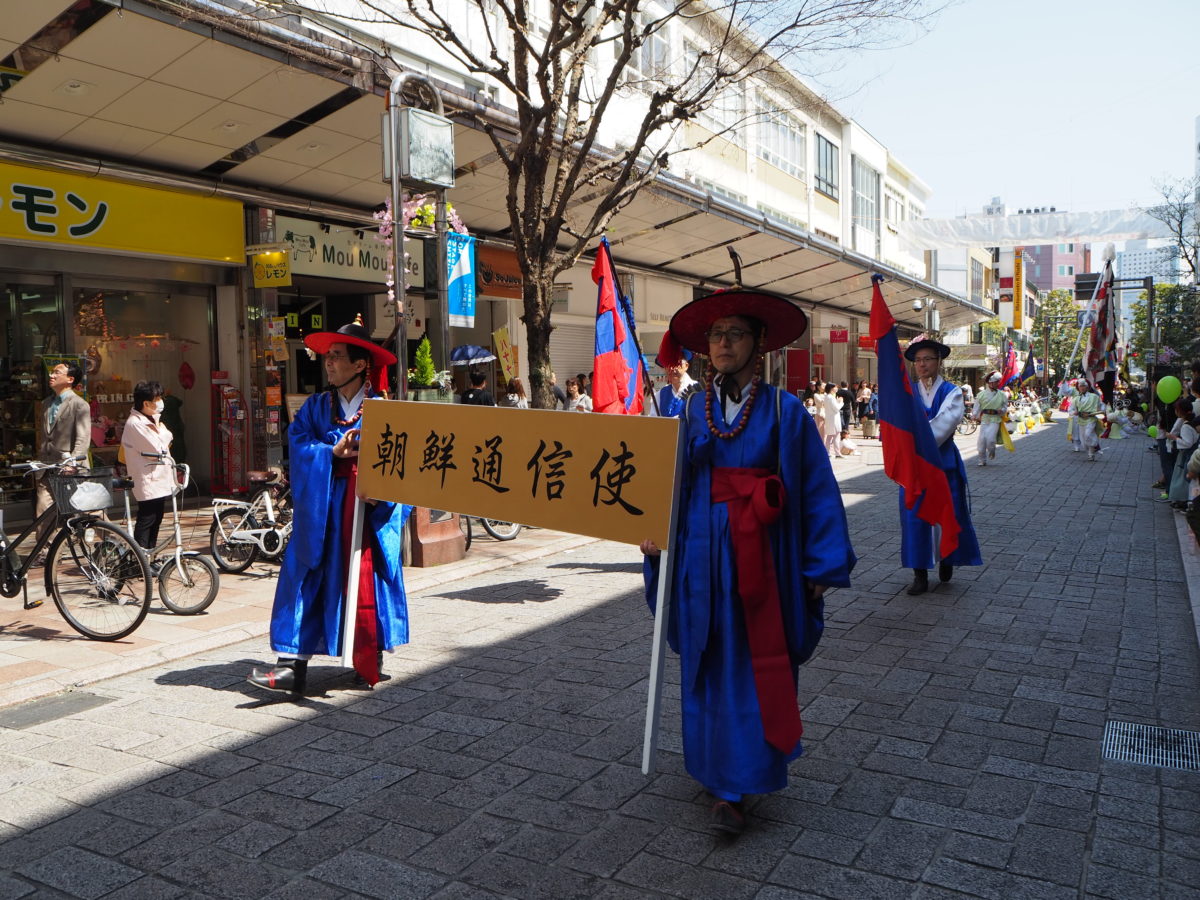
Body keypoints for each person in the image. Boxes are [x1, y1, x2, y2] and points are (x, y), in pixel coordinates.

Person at [640, 289, 855, 836]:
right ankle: (713, 770)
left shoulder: (786, 411)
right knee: (706, 661)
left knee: (757, 664)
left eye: (736, 333)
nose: (723, 343)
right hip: (700, 557)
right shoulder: (688, 409)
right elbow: (667, 482)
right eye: (716, 335)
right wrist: (652, 535)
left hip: (765, 555)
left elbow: (816, 489)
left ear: (759, 344)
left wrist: (821, 567)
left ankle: (741, 782)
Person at [248, 320, 411, 697]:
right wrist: (330, 454)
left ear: (359, 365)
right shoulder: (316, 406)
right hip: (322, 513)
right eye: (327, 357)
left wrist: (382, 492)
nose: (329, 364)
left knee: (365, 579)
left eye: (337, 357)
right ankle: (291, 666)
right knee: (304, 578)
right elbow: (298, 445)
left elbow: (402, 466)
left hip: (366, 512)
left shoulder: (385, 410)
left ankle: (368, 654)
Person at [899, 339, 982, 595]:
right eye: (918, 360)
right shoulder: (906, 392)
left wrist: (914, 439)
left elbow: (945, 424)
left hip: (943, 465)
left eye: (927, 359)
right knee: (914, 518)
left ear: (938, 361)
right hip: (914, 468)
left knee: (948, 515)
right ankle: (919, 573)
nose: (922, 364)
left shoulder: (952, 392)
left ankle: (948, 558)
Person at [35, 361, 91, 547]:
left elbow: (83, 438)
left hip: (70, 467)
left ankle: (111, 541)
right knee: (44, 509)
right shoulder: (46, 403)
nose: (51, 375)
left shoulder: (79, 404)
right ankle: (45, 551)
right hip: (47, 465)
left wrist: (73, 462)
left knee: (86, 509)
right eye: (52, 372)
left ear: (70, 379)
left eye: (57, 372)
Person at [120, 381, 175, 555]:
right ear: (146, 403)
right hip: (147, 479)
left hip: (157, 478)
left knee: (156, 518)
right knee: (147, 518)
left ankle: (150, 556)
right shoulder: (135, 423)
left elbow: (166, 441)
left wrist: (162, 434)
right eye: (157, 398)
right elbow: (157, 450)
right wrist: (163, 432)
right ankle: (140, 560)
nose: (160, 402)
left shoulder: (149, 420)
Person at [1164, 399, 1197, 508]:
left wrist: (1174, 438)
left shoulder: (1186, 426)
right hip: (1190, 454)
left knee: (1182, 479)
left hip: (1186, 454)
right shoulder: (1193, 421)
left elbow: (1188, 443)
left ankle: (1183, 501)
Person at [972, 372, 1007, 465]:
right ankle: (981, 459)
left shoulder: (1002, 395)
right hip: (985, 419)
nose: (997, 384)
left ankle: (992, 450)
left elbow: (1005, 407)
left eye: (997, 382)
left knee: (991, 439)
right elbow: (977, 407)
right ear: (990, 383)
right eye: (996, 382)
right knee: (982, 440)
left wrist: (1002, 410)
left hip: (995, 419)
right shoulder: (981, 395)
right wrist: (974, 415)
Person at [1072, 378, 1102, 461]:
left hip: (1091, 419)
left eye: (1083, 386)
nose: (1082, 388)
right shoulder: (1076, 399)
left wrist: (1099, 412)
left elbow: (1100, 408)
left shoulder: (1094, 397)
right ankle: (1092, 450)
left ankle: (1092, 452)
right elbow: (1073, 410)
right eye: (1080, 386)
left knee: (1088, 434)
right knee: (1083, 441)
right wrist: (1076, 413)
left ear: (1087, 387)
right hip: (1081, 420)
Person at [817, 382, 843, 458]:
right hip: (834, 419)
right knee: (835, 436)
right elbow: (836, 408)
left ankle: (828, 452)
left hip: (830, 418)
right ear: (832, 388)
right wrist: (841, 402)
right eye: (835, 387)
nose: (837, 388)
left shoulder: (827, 397)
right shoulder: (831, 397)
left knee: (830, 437)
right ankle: (837, 453)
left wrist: (837, 402)